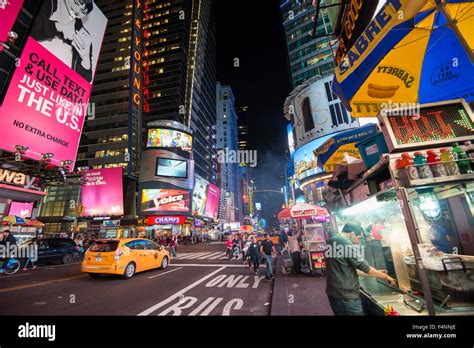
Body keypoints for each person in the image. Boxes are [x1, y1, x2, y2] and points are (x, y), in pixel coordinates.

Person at [325, 222, 396, 316]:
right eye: (359, 238)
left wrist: (377, 272)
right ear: (352, 234)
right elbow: (363, 266)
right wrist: (386, 277)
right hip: (346, 297)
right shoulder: (342, 241)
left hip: (337, 294)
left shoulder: (334, 239)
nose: (358, 242)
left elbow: (349, 268)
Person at [30, 0, 96, 82]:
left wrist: (85, 59)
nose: (78, 10)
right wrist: (56, 27)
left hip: (55, 82)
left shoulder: (82, 35)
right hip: (28, 65)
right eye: (77, 2)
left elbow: (84, 83)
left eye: (83, 11)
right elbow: (29, 31)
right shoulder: (48, 3)